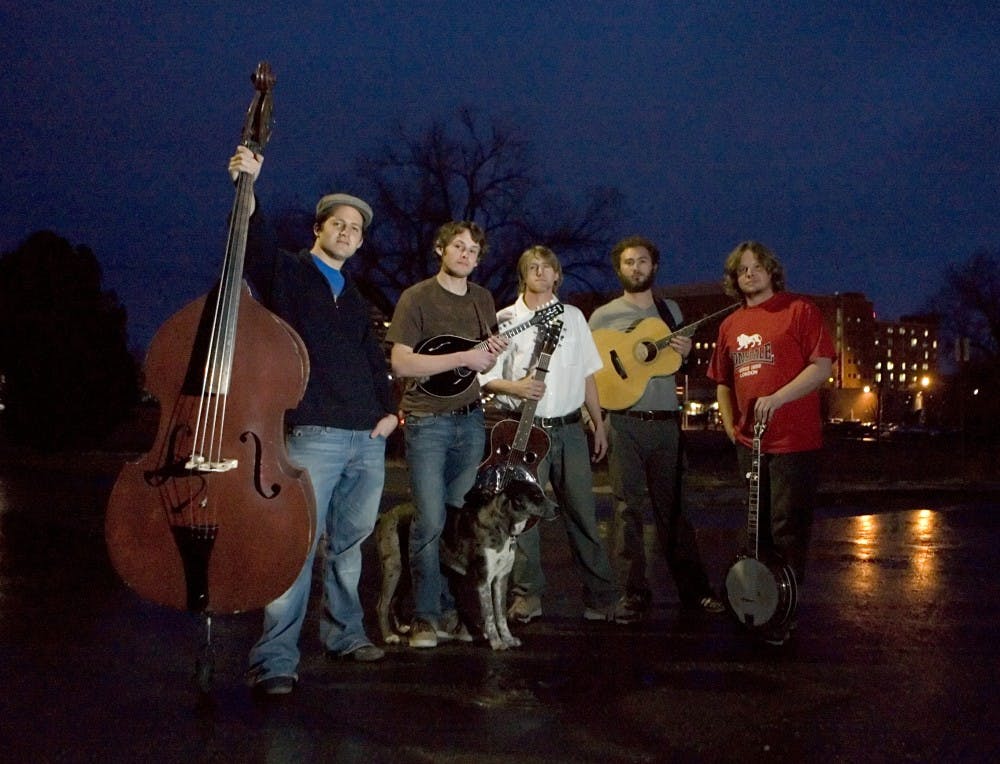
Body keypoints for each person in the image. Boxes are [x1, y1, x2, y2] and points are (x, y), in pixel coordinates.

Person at [229, 146, 399, 695]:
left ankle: (344, 635)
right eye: (339, 224)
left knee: (349, 548)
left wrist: (390, 413)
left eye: (356, 229)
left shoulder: (355, 295)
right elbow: (249, 248)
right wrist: (249, 189)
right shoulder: (289, 272)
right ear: (319, 229)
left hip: (366, 438)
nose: (348, 233)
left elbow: (374, 358)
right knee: (297, 546)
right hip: (315, 434)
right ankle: (274, 659)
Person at [480, 246, 636, 624]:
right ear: (523, 275)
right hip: (525, 431)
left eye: (546, 267)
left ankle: (601, 596)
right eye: (531, 267)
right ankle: (527, 595)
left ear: (556, 276)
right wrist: (516, 388)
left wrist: (598, 424)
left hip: (569, 431)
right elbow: (485, 376)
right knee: (524, 520)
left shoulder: (573, 317)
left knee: (583, 514)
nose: (539, 272)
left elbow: (587, 374)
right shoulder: (505, 318)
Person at [707, 240, 835, 643]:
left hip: (793, 441)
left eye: (757, 267)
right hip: (750, 443)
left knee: (787, 529)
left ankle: (784, 612)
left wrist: (778, 399)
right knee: (755, 532)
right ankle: (756, 604)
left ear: (771, 271)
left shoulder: (799, 310)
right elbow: (723, 382)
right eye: (742, 269)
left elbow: (822, 367)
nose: (749, 274)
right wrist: (730, 425)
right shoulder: (730, 325)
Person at [589, 235, 724, 617]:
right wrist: (595, 418)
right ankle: (632, 592)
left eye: (643, 261)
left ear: (654, 267)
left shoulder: (671, 312)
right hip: (624, 423)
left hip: (665, 424)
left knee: (675, 511)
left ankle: (695, 591)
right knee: (626, 510)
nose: (636, 267)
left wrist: (686, 356)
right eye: (629, 262)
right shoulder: (602, 316)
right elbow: (592, 373)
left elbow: (675, 367)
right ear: (619, 269)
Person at [386, 221, 507, 648]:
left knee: (458, 522)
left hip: (471, 420)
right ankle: (424, 615)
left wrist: (488, 358)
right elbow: (402, 363)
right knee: (431, 520)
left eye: (474, 250)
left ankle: (450, 609)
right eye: (458, 246)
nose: (466, 254)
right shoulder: (416, 297)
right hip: (427, 422)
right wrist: (465, 355)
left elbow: (481, 364)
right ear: (440, 248)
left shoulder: (482, 299)